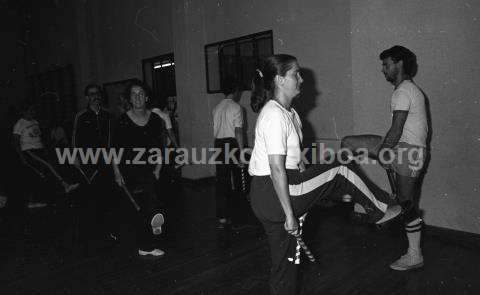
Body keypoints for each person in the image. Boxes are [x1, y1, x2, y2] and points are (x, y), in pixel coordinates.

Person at [248, 54, 402, 295]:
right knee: (340, 167)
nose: (301, 78)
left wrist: (303, 204)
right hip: (274, 190)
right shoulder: (274, 115)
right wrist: (290, 213)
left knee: (286, 265)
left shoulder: (290, 114)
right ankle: (381, 209)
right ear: (279, 80)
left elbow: (295, 162)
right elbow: (277, 168)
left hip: (272, 193)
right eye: (295, 74)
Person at [342, 45, 427, 271]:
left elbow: (397, 128)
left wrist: (384, 152)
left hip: (410, 152)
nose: (383, 69)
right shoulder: (405, 90)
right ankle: (351, 192)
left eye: (386, 64)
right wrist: (386, 150)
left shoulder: (404, 91)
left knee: (406, 205)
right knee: (348, 143)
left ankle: (414, 254)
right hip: (401, 147)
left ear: (399, 64)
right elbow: (396, 132)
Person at [112, 80, 166, 257]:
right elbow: (114, 150)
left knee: (146, 204)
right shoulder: (122, 121)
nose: (137, 97)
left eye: (141, 93)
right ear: (129, 98)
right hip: (129, 169)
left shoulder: (156, 120)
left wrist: (158, 168)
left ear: (147, 97)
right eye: (134, 94)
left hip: (150, 169)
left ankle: (146, 243)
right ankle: (146, 240)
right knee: (143, 206)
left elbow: (160, 147)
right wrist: (117, 173)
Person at [12, 102, 78, 205]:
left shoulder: (35, 122)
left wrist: (45, 148)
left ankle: (36, 198)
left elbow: (39, 137)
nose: (33, 112)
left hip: (40, 149)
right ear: (24, 111)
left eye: (33, 110)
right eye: (30, 110)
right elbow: (15, 142)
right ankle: (65, 185)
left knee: (42, 173)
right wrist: (22, 157)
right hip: (29, 150)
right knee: (48, 166)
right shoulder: (19, 124)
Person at [72, 83, 113, 244]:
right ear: (87, 97)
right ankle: (86, 235)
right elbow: (75, 141)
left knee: (105, 199)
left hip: (105, 163)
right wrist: (76, 159)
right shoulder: (80, 116)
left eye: (97, 93)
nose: (95, 96)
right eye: (91, 94)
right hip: (88, 164)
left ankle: (104, 232)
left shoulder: (108, 115)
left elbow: (112, 139)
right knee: (88, 200)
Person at [212, 76, 245, 228]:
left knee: (222, 181)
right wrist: (241, 152)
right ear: (236, 91)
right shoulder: (237, 108)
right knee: (238, 179)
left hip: (218, 144)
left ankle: (222, 218)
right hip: (231, 144)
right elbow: (238, 131)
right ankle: (239, 213)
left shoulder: (216, 108)